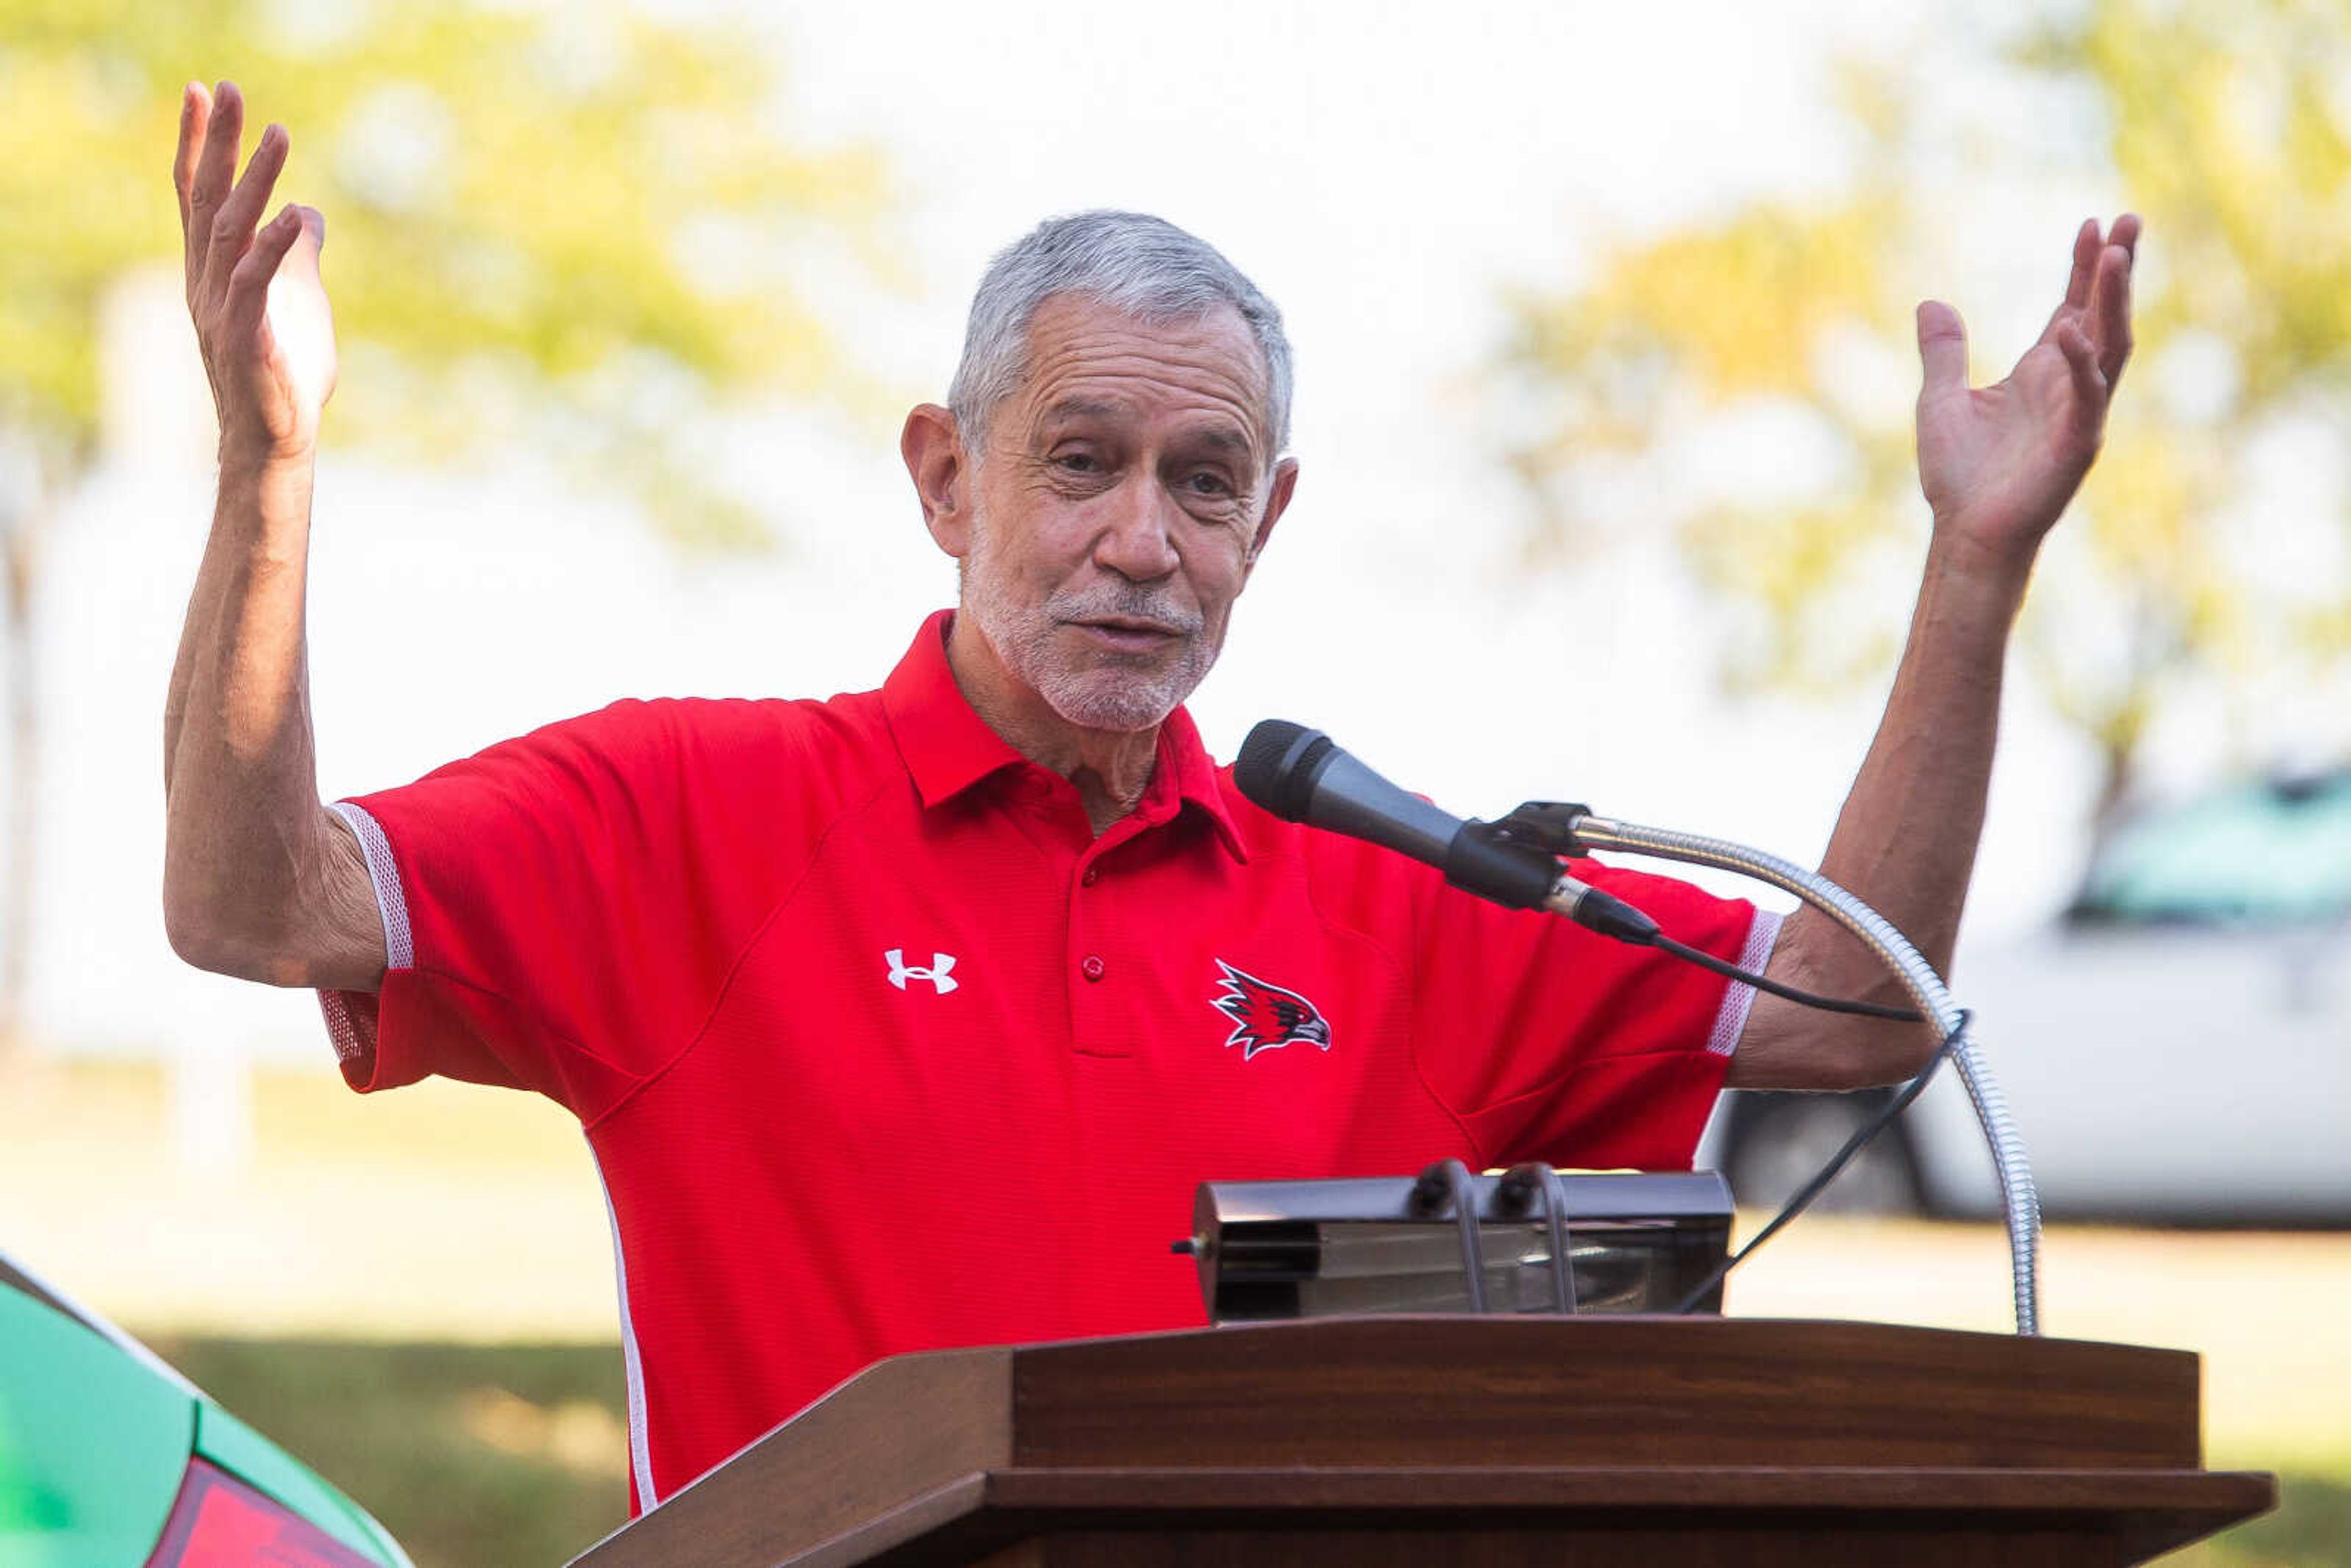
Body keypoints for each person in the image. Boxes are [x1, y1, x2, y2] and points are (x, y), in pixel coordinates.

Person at [160, 80, 2137, 1511]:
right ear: (945, 478)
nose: (1138, 540)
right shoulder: (694, 806)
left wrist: (1976, 574)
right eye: (1079, 459)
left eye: (1202, 484)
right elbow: (255, 908)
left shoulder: (1390, 887)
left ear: (1266, 522)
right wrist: (274, 474)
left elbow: (1851, 1005)